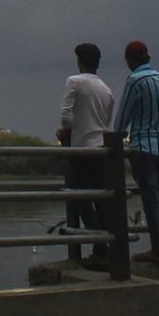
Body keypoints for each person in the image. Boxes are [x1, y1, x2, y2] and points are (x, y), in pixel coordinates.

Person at [114, 40, 159, 268]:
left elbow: (123, 117)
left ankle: (158, 250)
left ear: (130, 60)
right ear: (148, 58)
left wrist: (115, 138)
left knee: (151, 200)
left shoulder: (135, 81)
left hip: (143, 148)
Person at [56, 43, 115, 270]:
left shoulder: (75, 81)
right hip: (102, 149)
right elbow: (106, 121)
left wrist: (67, 132)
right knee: (101, 199)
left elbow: (65, 114)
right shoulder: (106, 89)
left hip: (81, 149)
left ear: (80, 61)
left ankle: (101, 248)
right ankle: (108, 247)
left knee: (80, 198)